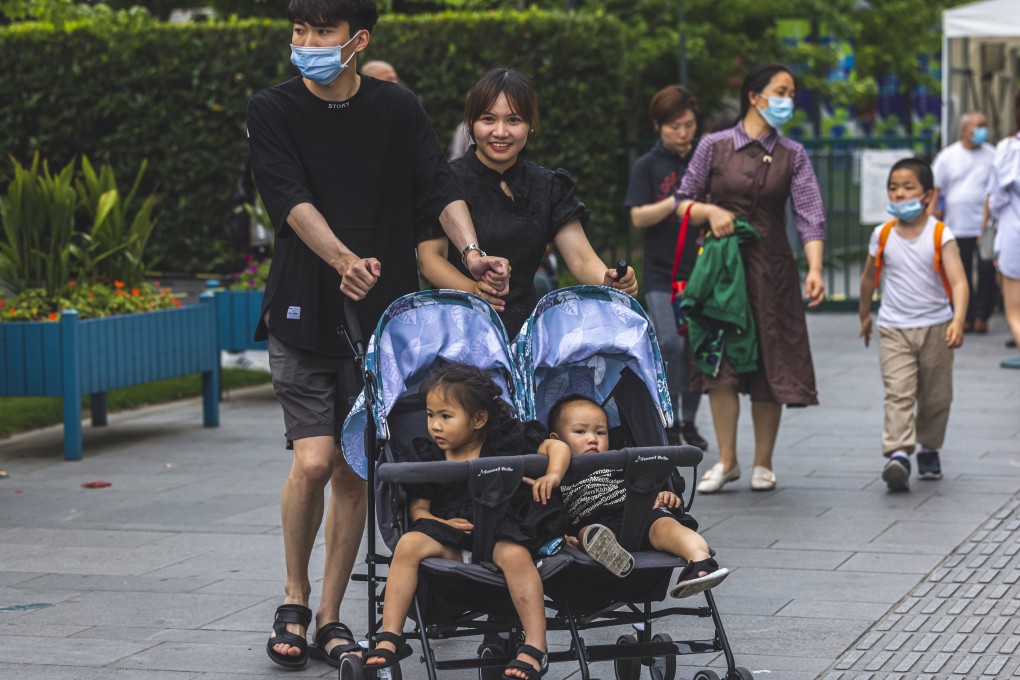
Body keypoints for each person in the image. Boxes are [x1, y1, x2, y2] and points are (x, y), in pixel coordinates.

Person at [246, 0, 510, 670]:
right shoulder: (272, 110)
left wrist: (472, 253)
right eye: (299, 29)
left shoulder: (399, 109)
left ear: (357, 40)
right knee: (312, 461)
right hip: (303, 309)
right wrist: (340, 260)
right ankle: (295, 597)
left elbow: (439, 184)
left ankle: (332, 616)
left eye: (321, 31)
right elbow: (289, 197)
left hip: (383, 324)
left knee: (352, 470)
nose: (306, 42)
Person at [675, 62, 826, 494]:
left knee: (769, 360)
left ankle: (763, 462)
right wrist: (710, 211)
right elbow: (682, 201)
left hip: (772, 270)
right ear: (755, 96)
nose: (788, 100)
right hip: (721, 271)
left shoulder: (793, 154)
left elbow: (810, 217)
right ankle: (727, 461)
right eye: (782, 91)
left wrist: (814, 268)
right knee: (719, 362)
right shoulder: (713, 145)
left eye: (792, 93)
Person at [364, 364, 570, 680]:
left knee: (516, 555)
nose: (435, 425)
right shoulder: (429, 454)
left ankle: (534, 645)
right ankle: (391, 636)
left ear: (478, 419)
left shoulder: (505, 442)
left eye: (446, 416)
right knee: (408, 543)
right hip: (451, 536)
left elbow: (555, 446)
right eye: (430, 415)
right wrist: (438, 524)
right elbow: (418, 511)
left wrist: (553, 472)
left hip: (501, 528)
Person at [418, 68, 637, 338]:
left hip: (527, 335)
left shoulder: (548, 185)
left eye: (513, 120)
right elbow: (430, 259)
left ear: (530, 124)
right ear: (471, 123)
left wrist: (609, 281)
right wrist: (474, 292)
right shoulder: (446, 180)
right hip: (455, 330)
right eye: (488, 119)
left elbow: (580, 258)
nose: (500, 132)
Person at [858, 157, 969, 490]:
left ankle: (929, 448)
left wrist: (959, 319)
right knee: (899, 393)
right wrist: (865, 314)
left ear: (927, 194)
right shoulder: (883, 234)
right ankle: (899, 454)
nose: (900, 194)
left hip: (937, 326)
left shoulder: (940, 233)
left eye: (908, 187)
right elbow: (867, 279)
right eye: (894, 188)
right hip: (893, 328)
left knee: (936, 397)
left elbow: (959, 281)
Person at [548, 395, 728, 598]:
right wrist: (559, 535)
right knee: (588, 533)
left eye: (600, 432)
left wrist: (664, 494)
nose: (592, 439)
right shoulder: (555, 475)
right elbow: (550, 512)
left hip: (639, 512)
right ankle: (610, 552)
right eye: (580, 432)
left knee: (667, 525)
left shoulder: (620, 462)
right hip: (596, 521)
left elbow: (645, 484)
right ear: (556, 440)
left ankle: (700, 561)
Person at [625, 84, 710, 451]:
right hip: (661, 272)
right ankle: (669, 419)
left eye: (688, 125)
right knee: (670, 343)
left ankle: (688, 422)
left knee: (697, 346)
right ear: (659, 125)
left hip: (702, 270)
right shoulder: (647, 165)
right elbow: (638, 216)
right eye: (674, 125)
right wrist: (677, 202)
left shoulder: (704, 161)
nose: (682, 133)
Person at [930, 112, 997, 333]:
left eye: (984, 125)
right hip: (956, 226)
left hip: (984, 227)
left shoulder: (993, 155)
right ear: (965, 129)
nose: (983, 130)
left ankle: (982, 314)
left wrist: (986, 223)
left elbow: (993, 191)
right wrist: (931, 223)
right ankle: (964, 317)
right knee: (961, 272)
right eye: (979, 126)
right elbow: (936, 192)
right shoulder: (947, 156)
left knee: (987, 271)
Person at [988, 87, 1020, 369]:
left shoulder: (1010, 149)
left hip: (1015, 233)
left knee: (1015, 307)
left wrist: (992, 218)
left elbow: (997, 195)